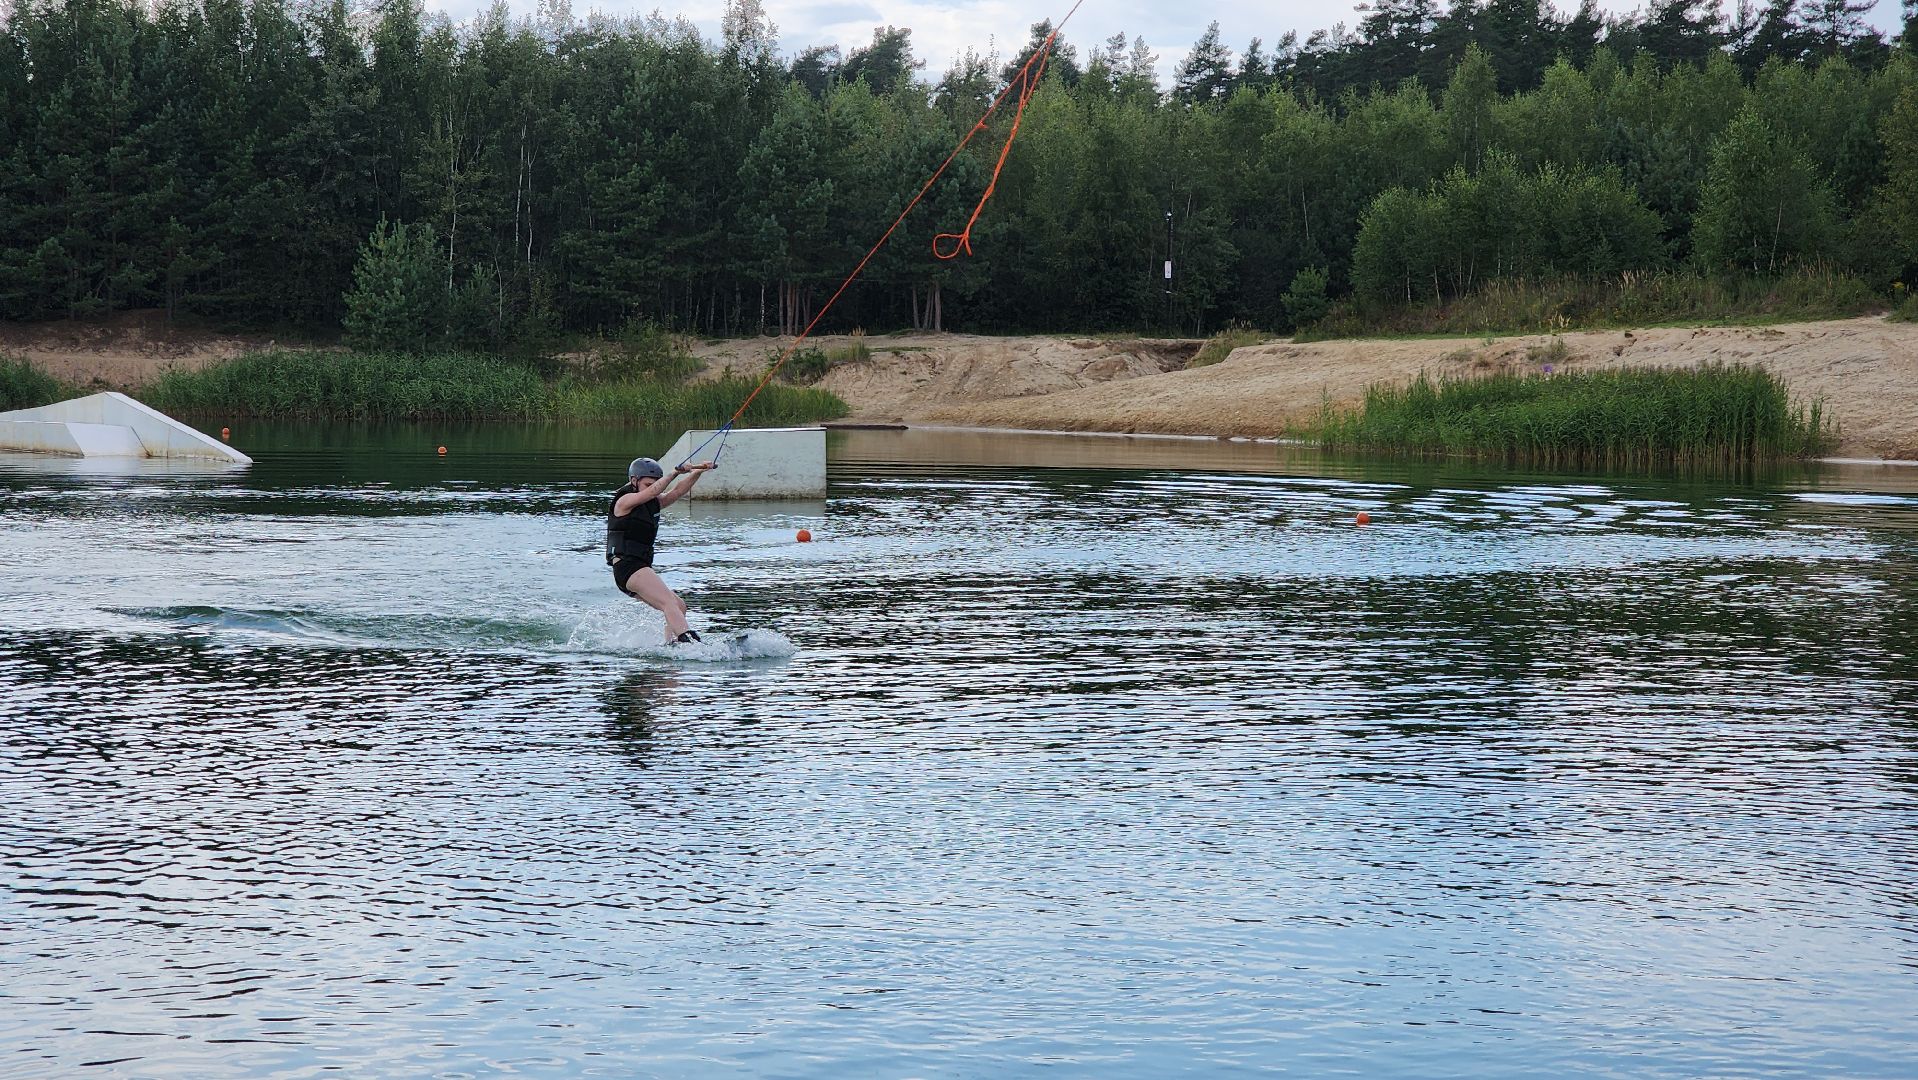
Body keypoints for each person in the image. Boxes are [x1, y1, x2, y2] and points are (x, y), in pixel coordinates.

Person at [606, 456, 716, 644]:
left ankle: (671, 644)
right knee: (669, 603)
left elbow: (677, 492)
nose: (653, 488)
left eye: (654, 484)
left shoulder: (653, 502)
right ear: (634, 481)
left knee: (679, 606)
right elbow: (651, 493)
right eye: (648, 484)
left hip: (637, 568)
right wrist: (674, 472)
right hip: (628, 566)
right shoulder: (624, 501)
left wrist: (698, 472)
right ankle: (688, 641)